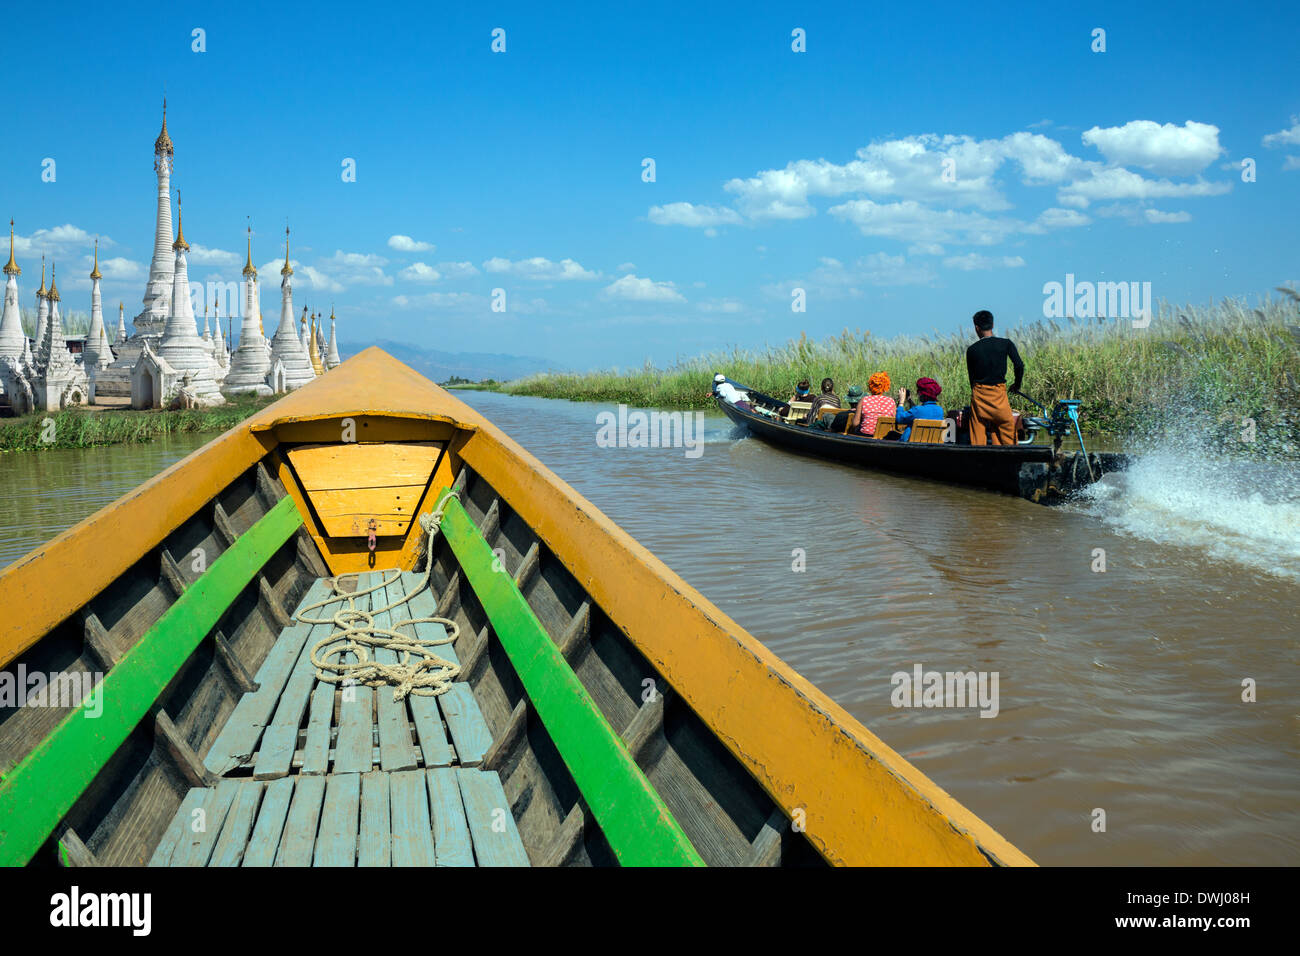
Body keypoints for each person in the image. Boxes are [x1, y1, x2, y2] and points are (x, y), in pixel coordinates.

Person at [965, 310, 1024, 445]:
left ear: (976, 328)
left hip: (979, 395)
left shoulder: (972, 350)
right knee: (1007, 430)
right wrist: (1017, 385)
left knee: (977, 431)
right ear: (992, 325)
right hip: (999, 397)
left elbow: (971, 379)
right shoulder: (1006, 344)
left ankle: (979, 459)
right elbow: (1019, 365)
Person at [852, 371, 897, 437]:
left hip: (865, 436)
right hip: (885, 437)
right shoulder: (891, 401)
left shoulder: (864, 400)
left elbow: (855, 423)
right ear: (885, 386)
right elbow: (893, 423)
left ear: (870, 386)